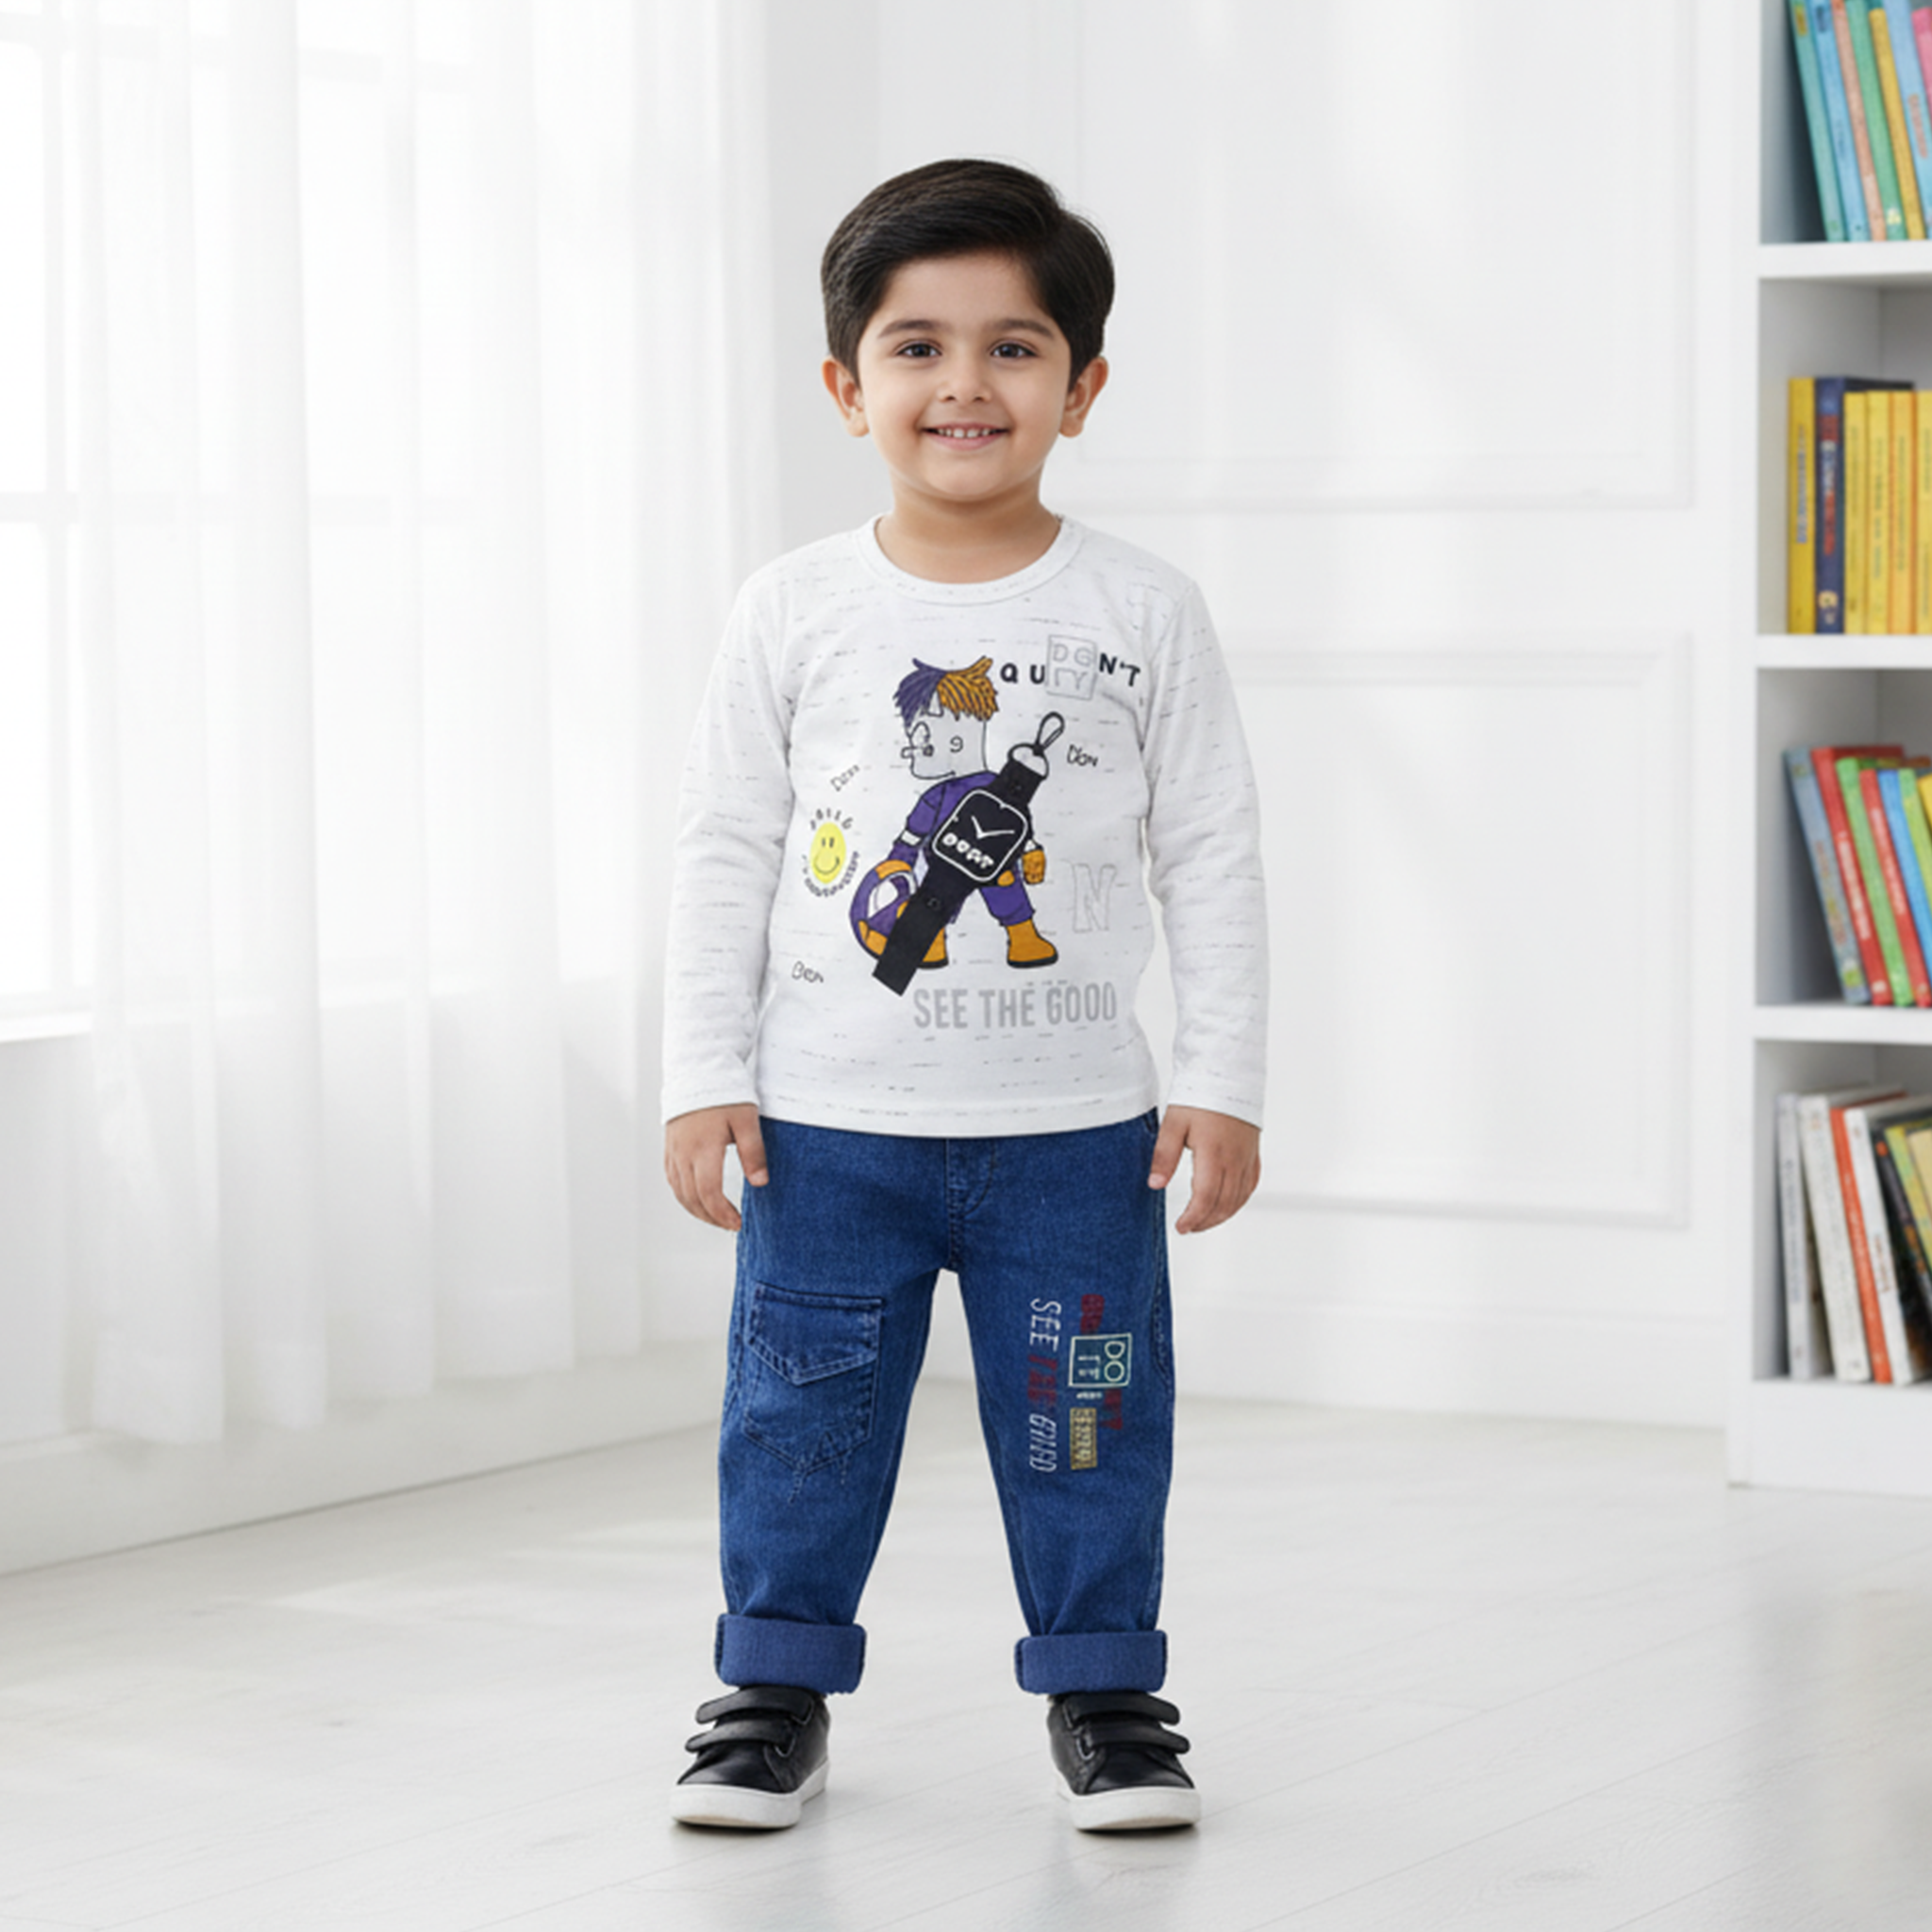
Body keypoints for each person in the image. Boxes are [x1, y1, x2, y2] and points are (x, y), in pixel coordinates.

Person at [660, 158, 1268, 1834]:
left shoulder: (1143, 610)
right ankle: (770, 1688)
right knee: (799, 1419)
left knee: (1088, 1422)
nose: (965, 385)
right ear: (850, 386)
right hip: (825, 1127)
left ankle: (1108, 1693)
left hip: (1079, 1139)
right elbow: (725, 847)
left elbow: (1208, 855)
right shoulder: (791, 607)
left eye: (1013, 348)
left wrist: (1223, 1079)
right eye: (918, 347)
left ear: (1080, 385)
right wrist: (698, 1069)